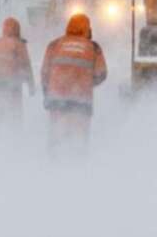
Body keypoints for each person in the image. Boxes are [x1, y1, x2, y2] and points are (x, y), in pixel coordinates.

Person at [40, 13, 107, 157]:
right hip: (81, 101)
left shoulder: (54, 44)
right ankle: (77, 170)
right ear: (87, 28)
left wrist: (47, 94)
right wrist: (87, 82)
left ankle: (53, 168)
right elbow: (102, 74)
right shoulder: (93, 47)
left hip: (57, 100)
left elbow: (45, 73)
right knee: (79, 140)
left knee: (56, 137)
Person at [0, 17, 35, 132]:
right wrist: (31, 85)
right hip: (12, 83)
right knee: (15, 111)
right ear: (17, 29)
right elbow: (26, 65)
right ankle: (15, 137)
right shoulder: (18, 44)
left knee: (1, 110)